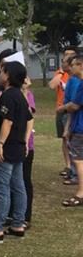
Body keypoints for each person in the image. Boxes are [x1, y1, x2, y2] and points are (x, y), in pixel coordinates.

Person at [0, 60, 32, 244]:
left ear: (8, 76)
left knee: (3, 189)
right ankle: (18, 224)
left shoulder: (8, 96)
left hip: (7, 149)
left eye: (2, 71)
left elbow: (7, 122)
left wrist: (0, 144)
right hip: (18, 147)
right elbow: (29, 118)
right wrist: (25, 142)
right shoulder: (20, 96)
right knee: (18, 186)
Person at [58, 53, 83, 207]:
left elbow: (74, 105)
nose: (70, 67)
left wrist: (62, 108)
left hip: (80, 128)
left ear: (80, 65)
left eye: (73, 65)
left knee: (79, 161)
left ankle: (80, 193)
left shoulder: (81, 84)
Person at [51, 50, 77, 180]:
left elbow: (75, 103)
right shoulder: (61, 74)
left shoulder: (76, 79)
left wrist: (64, 107)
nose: (64, 60)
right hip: (62, 110)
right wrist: (61, 72)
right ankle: (69, 167)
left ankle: (75, 171)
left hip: (69, 111)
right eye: (64, 57)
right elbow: (52, 85)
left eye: (69, 57)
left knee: (73, 141)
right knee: (65, 139)